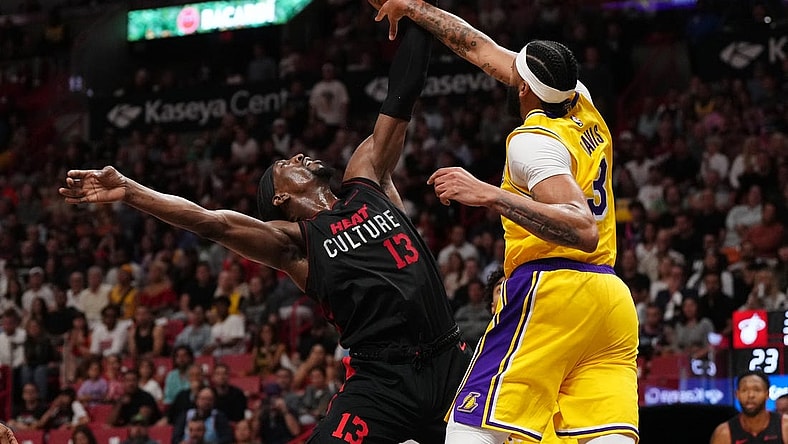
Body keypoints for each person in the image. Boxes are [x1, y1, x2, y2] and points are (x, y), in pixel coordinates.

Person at [59, 11, 470, 444]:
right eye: (284, 165)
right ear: (279, 198)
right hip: (382, 381)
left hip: (450, 358)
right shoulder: (293, 243)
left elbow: (401, 96)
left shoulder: (367, 181)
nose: (297, 157)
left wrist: (416, 12)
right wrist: (129, 189)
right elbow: (210, 222)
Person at [374, 2, 639, 442]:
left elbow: (581, 228)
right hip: (610, 299)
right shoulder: (583, 102)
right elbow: (479, 47)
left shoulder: (532, 144)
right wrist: (414, 7)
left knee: (469, 425)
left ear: (522, 89)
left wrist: (490, 194)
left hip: (553, 290)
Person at [710, 371, 788, 443]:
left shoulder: (785, 426)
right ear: (737, 395)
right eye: (744, 390)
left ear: (767, 394)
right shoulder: (724, 432)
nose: (750, 395)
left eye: (756, 390)